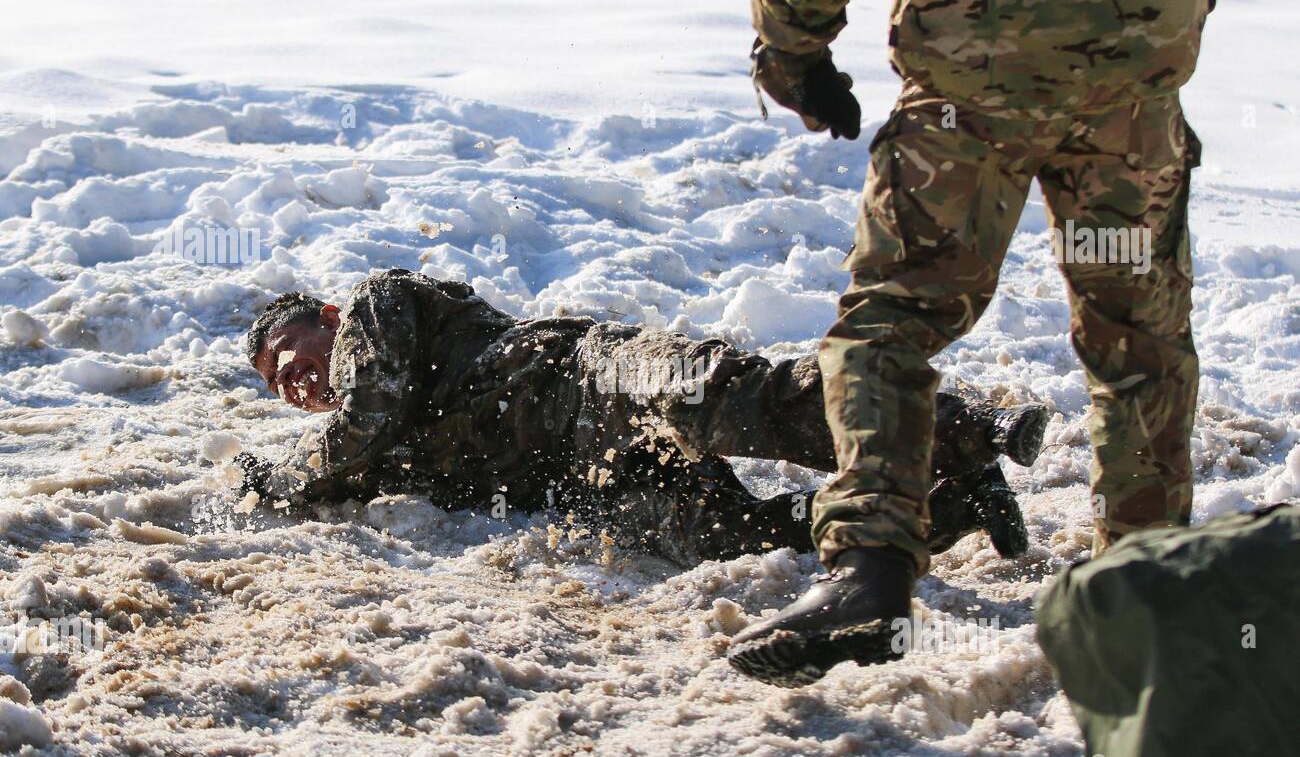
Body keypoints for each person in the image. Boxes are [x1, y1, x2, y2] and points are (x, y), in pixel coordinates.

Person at [728, 0, 1267, 686]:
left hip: (972, 68)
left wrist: (791, 46)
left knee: (891, 320)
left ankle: (869, 571)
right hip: (1126, 78)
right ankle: (1145, 588)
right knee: (1141, 344)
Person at [236, 268, 1047, 570]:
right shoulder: (363, 454)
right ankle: (954, 505)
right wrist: (277, 487)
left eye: (289, 353)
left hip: (595, 377)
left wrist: (290, 477)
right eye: (278, 387)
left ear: (328, 316)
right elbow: (340, 474)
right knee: (734, 543)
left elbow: (367, 412)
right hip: (588, 476)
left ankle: (970, 431)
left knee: (748, 402)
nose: (294, 381)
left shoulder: (379, 307)